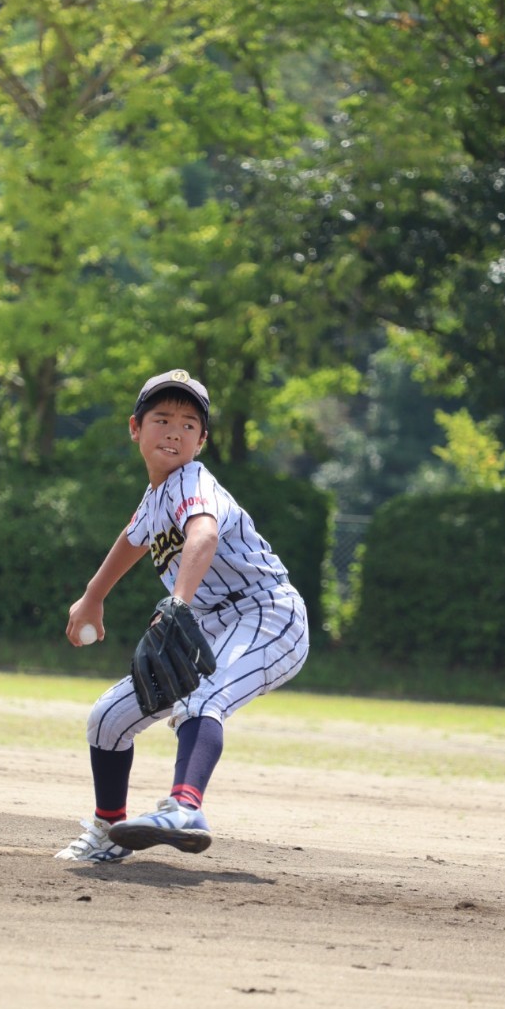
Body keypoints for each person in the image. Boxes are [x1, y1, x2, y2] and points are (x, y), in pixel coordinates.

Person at [55, 368, 310, 862]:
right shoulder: (156, 497)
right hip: (212, 622)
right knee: (107, 718)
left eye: (189, 424)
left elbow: (204, 536)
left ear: (202, 441)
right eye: (162, 418)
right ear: (135, 427)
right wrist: (92, 596)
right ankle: (109, 831)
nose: (174, 430)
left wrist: (178, 603)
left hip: (268, 614)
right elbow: (133, 537)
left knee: (201, 698)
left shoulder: (192, 480)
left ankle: (186, 808)